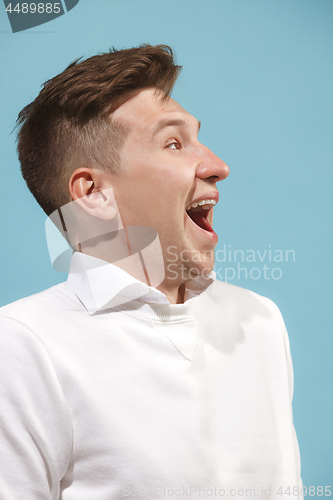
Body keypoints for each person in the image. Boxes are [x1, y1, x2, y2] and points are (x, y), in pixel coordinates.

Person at [0, 44, 302, 499]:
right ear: (93, 193)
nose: (218, 166)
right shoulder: (21, 347)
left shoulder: (259, 320)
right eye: (174, 143)